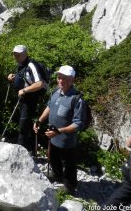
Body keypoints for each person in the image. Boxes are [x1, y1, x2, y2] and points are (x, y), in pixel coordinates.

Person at [33, 65, 86, 194]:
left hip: (67, 141)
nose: (61, 80)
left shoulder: (77, 99)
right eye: (59, 77)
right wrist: (39, 120)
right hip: (53, 136)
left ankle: (70, 186)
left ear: (72, 80)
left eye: (65, 78)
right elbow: (49, 107)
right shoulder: (56, 91)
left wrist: (59, 131)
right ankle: (57, 175)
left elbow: (78, 124)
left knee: (69, 164)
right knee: (54, 157)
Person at [7, 45, 45, 152]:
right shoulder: (21, 64)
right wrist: (13, 77)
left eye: (18, 54)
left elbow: (40, 84)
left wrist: (24, 90)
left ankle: (22, 151)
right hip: (23, 99)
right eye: (14, 54)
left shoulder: (31, 65)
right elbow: (25, 77)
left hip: (30, 100)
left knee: (24, 126)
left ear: (25, 54)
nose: (15, 56)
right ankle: (27, 148)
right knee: (24, 124)